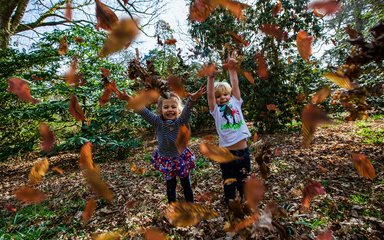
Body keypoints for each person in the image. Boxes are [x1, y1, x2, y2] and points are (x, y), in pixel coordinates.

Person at [136, 88, 205, 203]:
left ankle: (191, 205)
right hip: (166, 159)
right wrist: (129, 99)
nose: (170, 110)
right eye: (166, 107)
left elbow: (187, 111)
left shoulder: (180, 121)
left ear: (178, 110)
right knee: (170, 186)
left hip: (180, 158)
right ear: (160, 109)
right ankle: (172, 208)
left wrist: (192, 99)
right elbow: (144, 112)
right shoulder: (157, 121)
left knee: (186, 184)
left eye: (173, 107)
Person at [206, 52, 251, 205]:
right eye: (219, 96)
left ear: (230, 95)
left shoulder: (236, 102)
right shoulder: (216, 111)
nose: (222, 98)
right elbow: (210, 96)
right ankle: (231, 204)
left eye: (225, 94)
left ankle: (245, 203)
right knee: (229, 181)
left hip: (243, 151)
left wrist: (232, 70)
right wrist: (211, 78)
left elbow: (235, 85)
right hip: (226, 154)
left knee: (244, 180)